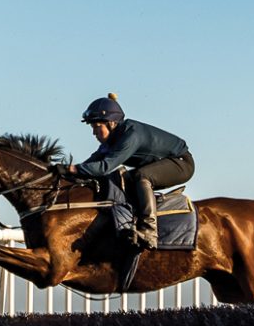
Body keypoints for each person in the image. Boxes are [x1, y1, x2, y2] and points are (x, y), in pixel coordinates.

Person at [52, 93, 194, 250]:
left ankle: (149, 230)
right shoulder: (113, 139)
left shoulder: (131, 136)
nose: (94, 133)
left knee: (141, 176)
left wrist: (72, 169)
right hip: (165, 163)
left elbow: (104, 167)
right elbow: (92, 163)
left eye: (97, 127)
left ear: (111, 123)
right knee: (122, 179)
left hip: (181, 164)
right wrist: (67, 172)